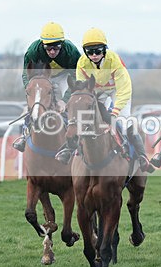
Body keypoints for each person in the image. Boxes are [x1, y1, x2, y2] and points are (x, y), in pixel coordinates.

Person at [55, 27, 152, 171]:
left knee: (123, 121)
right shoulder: (82, 63)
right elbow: (81, 89)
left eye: (98, 51)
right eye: (90, 52)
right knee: (86, 120)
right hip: (97, 91)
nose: (94, 55)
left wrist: (114, 113)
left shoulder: (114, 61)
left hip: (117, 90)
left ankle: (141, 156)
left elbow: (124, 90)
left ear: (104, 50)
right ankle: (68, 149)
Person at [13, 21, 81, 152]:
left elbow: (76, 77)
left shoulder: (71, 52)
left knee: (64, 102)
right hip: (42, 77)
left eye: (56, 48)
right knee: (36, 102)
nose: (52, 51)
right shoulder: (33, 51)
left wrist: (64, 101)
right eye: (48, 48)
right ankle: (25, 134)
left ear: (63, 44)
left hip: (64, 76)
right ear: (42, 45)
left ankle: (72, 136)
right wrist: (30, 89)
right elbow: (25, 75)